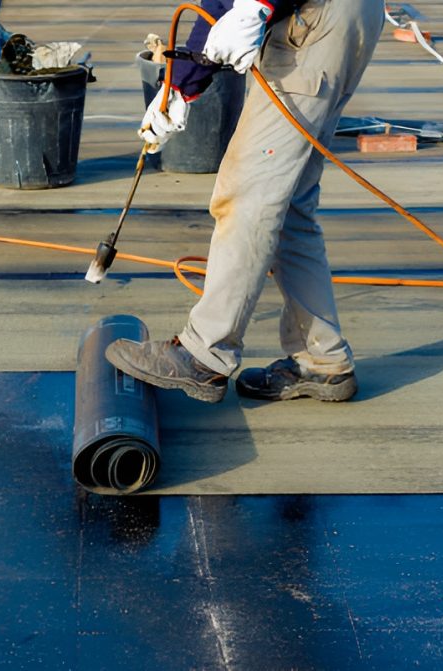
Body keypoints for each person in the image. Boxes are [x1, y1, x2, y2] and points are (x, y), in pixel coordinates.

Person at [106, 0, 385, 403]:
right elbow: (217, 6)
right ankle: (322, 359)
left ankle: (205, 354)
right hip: (346, 14)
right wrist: (182, 86)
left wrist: (260, 3)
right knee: (288, 204)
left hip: (316, 19)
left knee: (247, 194)